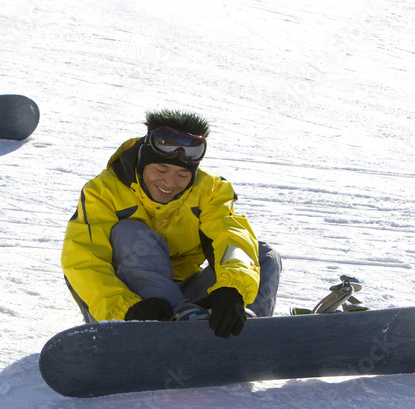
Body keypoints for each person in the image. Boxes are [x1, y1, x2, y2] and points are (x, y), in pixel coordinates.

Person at [61, 110, 281, 338]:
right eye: (160, 169)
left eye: (182, 175)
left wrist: (232, 289)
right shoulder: (104, 191)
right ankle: (173, 329)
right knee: (130, 232)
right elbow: (83, 259)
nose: (169, 182)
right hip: (133, 305)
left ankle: (241, 332)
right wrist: (126, 308)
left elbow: (232, 236)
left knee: (262, 254)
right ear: (142, 163)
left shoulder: (210, 190)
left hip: (184, 291)